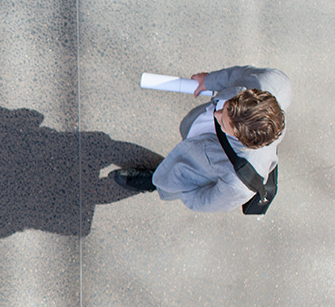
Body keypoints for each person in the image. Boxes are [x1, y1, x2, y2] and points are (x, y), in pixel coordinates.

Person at [113, 66, 292, 212]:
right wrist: (209, 81)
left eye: (223, 122)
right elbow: (239, 74)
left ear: (241, 139)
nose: (216, 113)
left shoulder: (239, 182)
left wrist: (183, 188)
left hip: (190, 172)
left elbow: (204, 201)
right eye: (226, 106)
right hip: (196, 134)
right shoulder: (274, 81)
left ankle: (155, 182)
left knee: (169, 180)